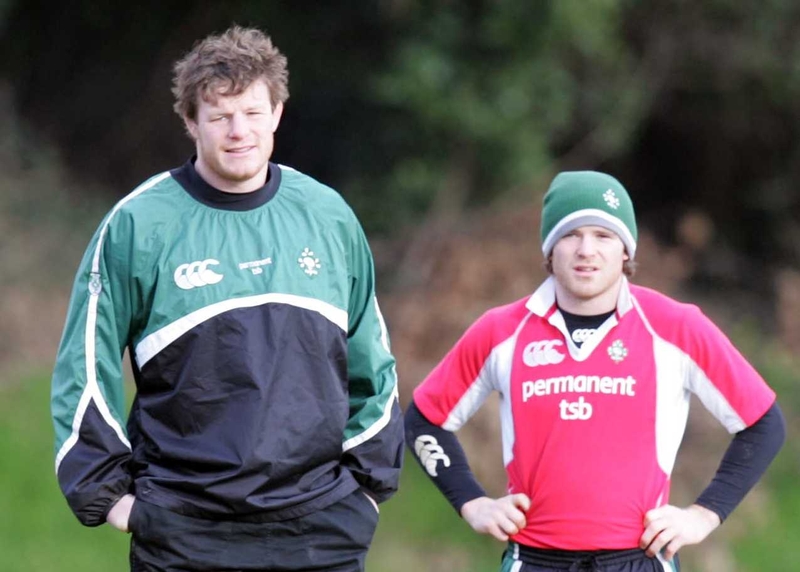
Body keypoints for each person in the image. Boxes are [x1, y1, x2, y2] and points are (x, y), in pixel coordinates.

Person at [51, 25, 403, 572]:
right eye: (220, 117)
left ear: (277, 113)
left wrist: (365, 488)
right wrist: (112, 498)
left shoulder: (327, 215)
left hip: (320, 526)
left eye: (253, 112)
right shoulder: (138, 225)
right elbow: (85, 365)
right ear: (191, 122)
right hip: (185, 529)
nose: (239, 132)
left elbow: (372, 359)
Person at [405, 170, 785, 571]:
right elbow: (423, 420)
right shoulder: (501, 331)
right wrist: (471, 502)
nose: (586, 250)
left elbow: (764, 424)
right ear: (550, 249)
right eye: (570, 235)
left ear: (625, 250)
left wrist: (703, 516)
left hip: (640, 559)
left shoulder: (676, 326)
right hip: (533, 560)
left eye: (603, 235)